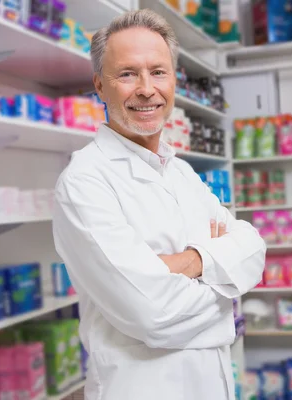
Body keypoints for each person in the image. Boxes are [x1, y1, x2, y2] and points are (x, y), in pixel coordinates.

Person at [52, 9, 266, 400]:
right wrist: (225, 278)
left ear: (173, 81)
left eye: (158, 71)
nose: (146, 88)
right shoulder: (85, 182)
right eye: (128, 74)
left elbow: (253, 249)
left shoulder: (181, 173)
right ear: (100, 85)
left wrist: (186, 263)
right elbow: (154, 315)